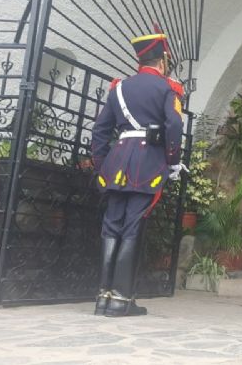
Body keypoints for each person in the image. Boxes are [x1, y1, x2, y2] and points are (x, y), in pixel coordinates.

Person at [91, 32, 185, 317]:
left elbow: (100, 131)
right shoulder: (168, 87)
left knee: (111, 226)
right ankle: (121, 300)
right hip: (148, 165)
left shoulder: (118, 88)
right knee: (132, 227)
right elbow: (174, 128)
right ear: (163, 59)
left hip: (117, 163)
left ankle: (103, 298)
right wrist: (172, 161)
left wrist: (102, 165)